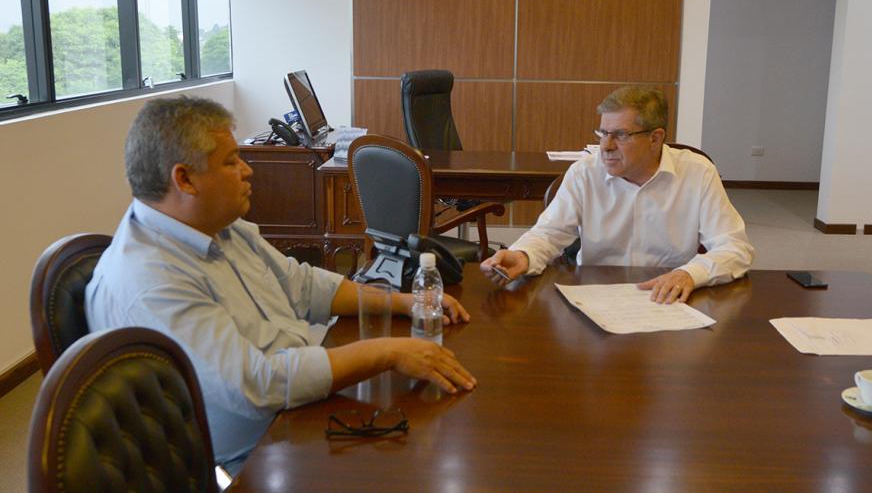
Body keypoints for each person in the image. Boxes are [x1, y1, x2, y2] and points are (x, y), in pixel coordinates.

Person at [85, 97, 476, 475]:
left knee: (439, 426)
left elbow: (302, 285)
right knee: (425, 459)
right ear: (184, 179)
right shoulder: (151, 279)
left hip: (297, 406)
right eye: (232, 161)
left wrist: (402, 301)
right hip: (258, 451)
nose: (248, 170)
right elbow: (258, 384)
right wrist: (387, 352)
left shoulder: (217, 226)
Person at [481, 86, 753, 303]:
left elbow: (734, 248)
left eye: (621, 135)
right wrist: (524, 254)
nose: (606, 146)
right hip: (597, 297)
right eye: (603, 133)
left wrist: (689, 274)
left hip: (668, 297)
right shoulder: (585, 173)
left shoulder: (697, 173)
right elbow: (548, 234)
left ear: (655, 138)